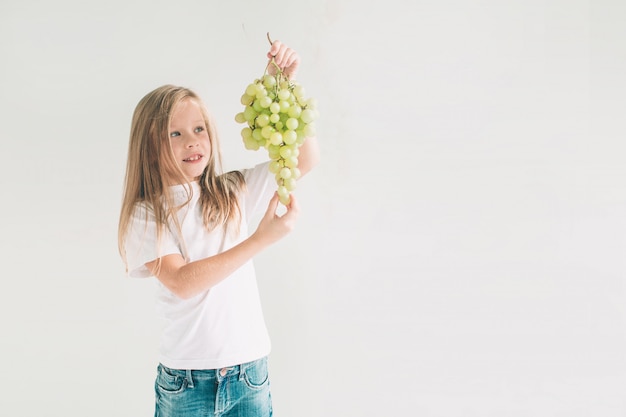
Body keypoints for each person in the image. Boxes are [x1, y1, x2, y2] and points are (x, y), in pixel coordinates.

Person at [117, 39, 320, 417]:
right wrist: (260, 239)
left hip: (250, 374)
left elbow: (305, 157)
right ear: (148, 145)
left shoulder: (233, 190)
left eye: (199, 129)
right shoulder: (147, 213)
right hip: (186, 382)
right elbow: (183, 282)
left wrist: (281, 90)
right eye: (174, 134)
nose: (192, 141)